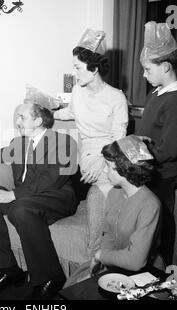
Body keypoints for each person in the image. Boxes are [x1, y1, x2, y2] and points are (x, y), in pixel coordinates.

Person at [0, 103, 78, 300]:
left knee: (19, 208)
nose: (17, 121)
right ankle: (8, 269)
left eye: (22, 117)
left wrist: (13, 195)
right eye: (17, 117)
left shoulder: (62, 142)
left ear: (38, 120)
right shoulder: (19, 143)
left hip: (56, 197)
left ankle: (50, 277)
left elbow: (52, 179)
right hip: (25, 197)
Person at [53, 28, 129, 257]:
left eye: (77, 67)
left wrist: (101, 161)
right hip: (87, 156)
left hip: (112, 156)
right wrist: (47, 111)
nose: (75, 73)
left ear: (94, 68)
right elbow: (69, 112)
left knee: (99, 196)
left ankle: (97, 255)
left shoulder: (116, 97)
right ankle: (100, 255)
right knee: (97, 193)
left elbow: (119, 138)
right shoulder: (77, 90)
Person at [64, 135, 162, 288]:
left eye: (109, 167)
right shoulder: (114, 193)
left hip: (142, 271)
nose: (105, 170)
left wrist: (101, 256)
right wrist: (102, 261)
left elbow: (136, 260)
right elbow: (108, 233)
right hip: (114, 262)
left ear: (125, 169)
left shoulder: (150, 205)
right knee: (73, 286)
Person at [136, 21, 177, 266]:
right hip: (147, 169)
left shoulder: (174, 100)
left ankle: (163, 271)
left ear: (165, 66)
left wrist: (139, 153)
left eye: (147, 70)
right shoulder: (156, 94)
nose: (144, 75)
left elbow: (169, 149)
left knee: (161, 224)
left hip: (163, 175)